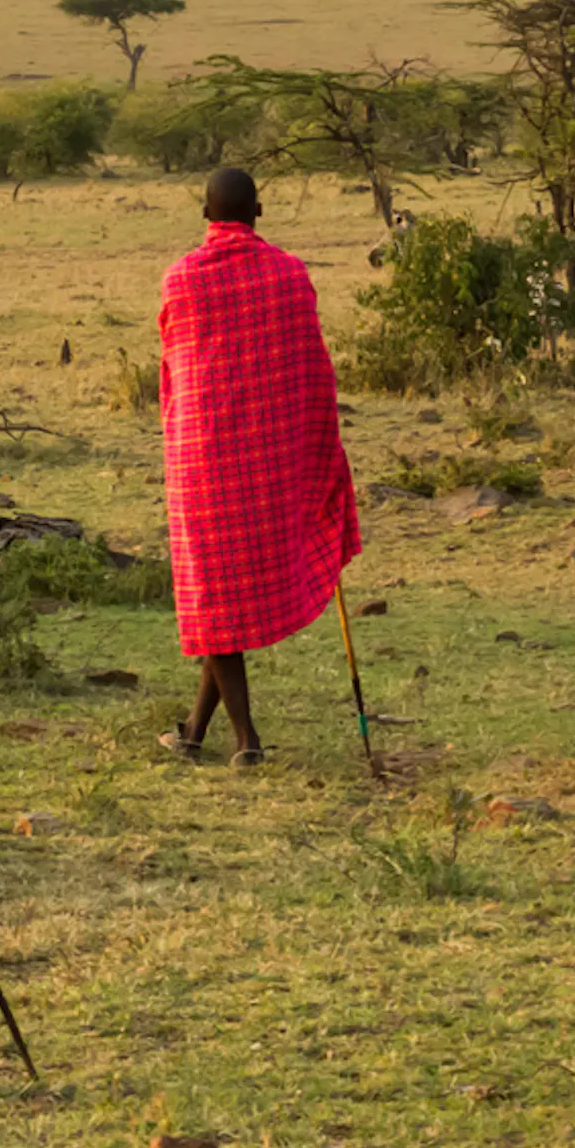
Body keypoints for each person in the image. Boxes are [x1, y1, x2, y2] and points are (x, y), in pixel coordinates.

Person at [156, 167, 361, 766]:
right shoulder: (289, 275)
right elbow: (315, 372)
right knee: (216, 604)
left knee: (212, 599)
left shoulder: (182, 279)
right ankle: (194, 732)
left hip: (204, 461)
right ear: (259, 212)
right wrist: (320, 447)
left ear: (205, 213)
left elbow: (172, 370)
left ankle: (246, 741)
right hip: (271, 463)